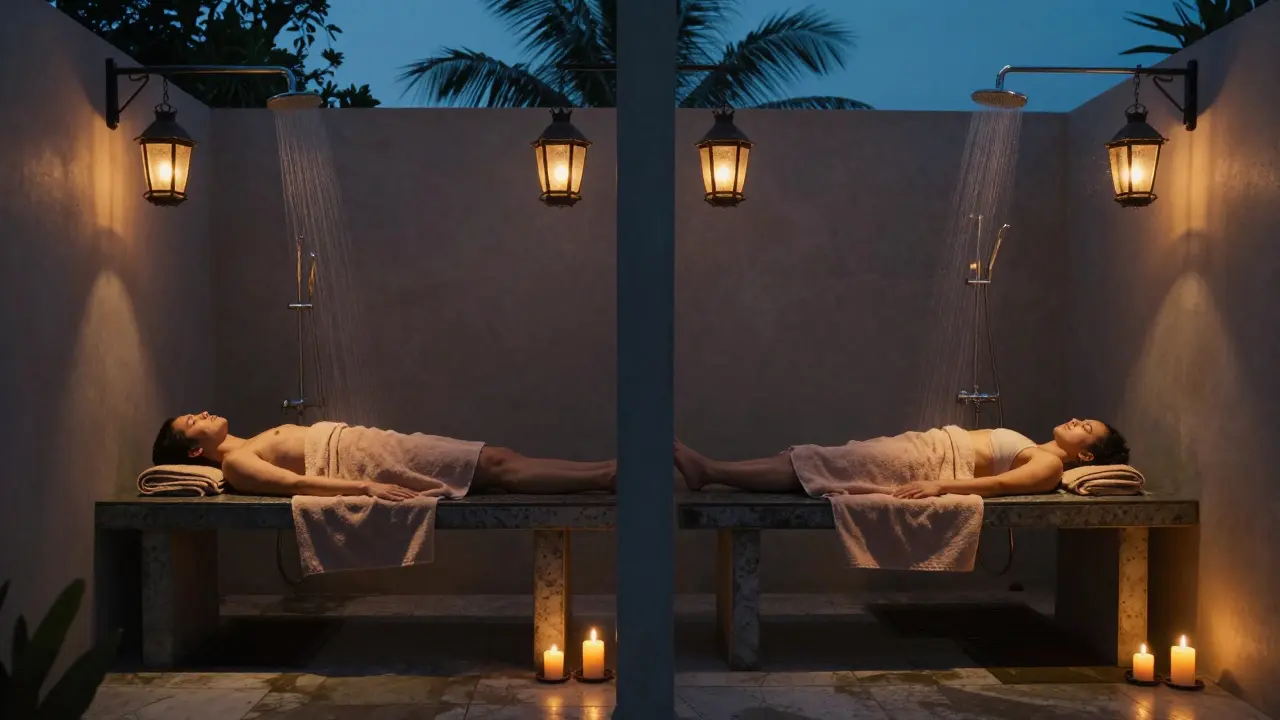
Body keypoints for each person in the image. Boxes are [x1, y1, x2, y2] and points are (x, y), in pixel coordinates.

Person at [153, 412, 616, 499]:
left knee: (497, 458)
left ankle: (610, 470)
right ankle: (606, 477)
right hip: (369, 463)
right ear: (196, 450)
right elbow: (295, 485)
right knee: (496, 469)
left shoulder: (250, 439)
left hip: (372, 443)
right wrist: (365, 485)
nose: (204, 412)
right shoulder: (236, 463)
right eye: (193, 422)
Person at [673, 418, 1130, 499]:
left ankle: (709, 471)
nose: (1076, 420)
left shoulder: (1049, 467)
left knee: (819, 465)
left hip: (924, 465)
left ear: (1086, 454)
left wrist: (940, 486)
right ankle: (711, 469)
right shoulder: (1039, 446)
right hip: (923, 448)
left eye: (1085, 428)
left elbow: (998, 486)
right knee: (819, 460)